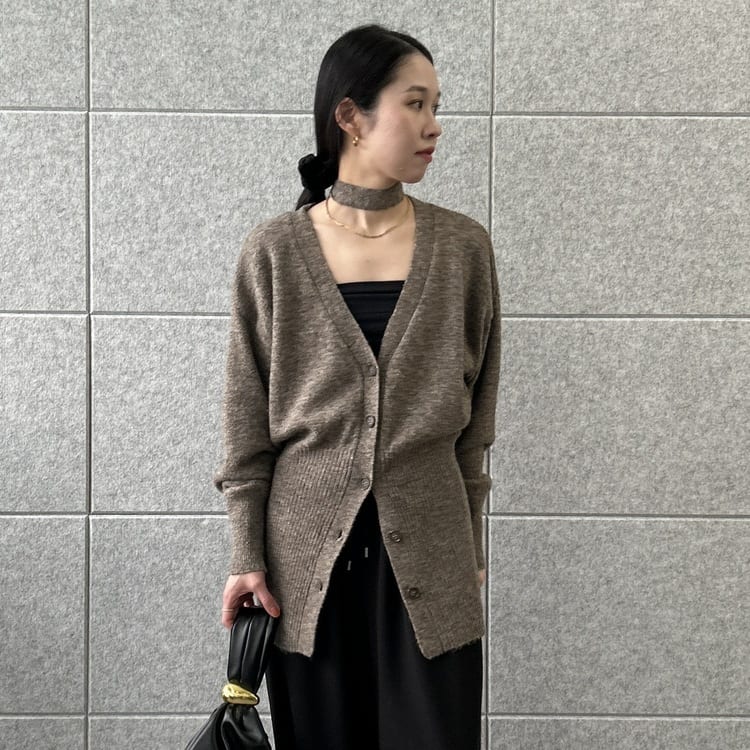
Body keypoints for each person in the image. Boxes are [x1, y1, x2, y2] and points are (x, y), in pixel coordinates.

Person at [212, 23, 501, 750]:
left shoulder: (463, 248)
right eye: (416, 104)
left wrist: (469, 548)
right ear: (351, 116)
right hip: (304, 568)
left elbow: (475, 430)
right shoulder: (274, 252)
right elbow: (246, 431)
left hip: (432, 557)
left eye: (436, 107)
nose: (434, 126)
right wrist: (247, 554)